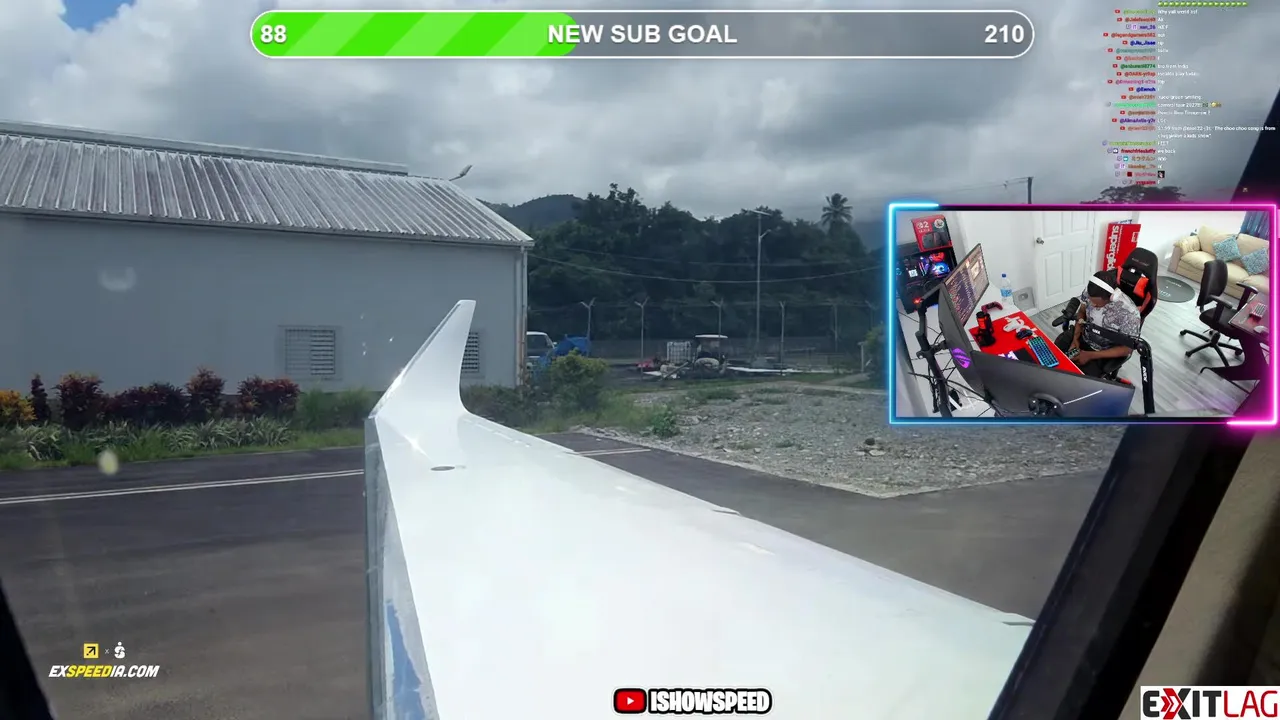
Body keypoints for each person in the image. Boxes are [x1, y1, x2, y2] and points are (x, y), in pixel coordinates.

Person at [1054, 269, 1142, 378]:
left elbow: (1127, 349)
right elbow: (1082, 311)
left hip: (1103, 352)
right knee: (1053, 355)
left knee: (1077, 379)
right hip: (1083, 335)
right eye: (1091, 300)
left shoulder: (1130, 313)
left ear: (1112, 297)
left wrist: (1090, 355)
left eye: (1096, 304)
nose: (1092, 305)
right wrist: (1075, 339)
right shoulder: (1089, 292)